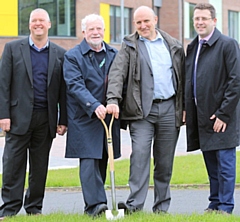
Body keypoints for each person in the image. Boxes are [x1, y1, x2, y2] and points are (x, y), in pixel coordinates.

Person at [106, 6, 185, 214]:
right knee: (140, 155)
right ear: (134, 24)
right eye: (139, 22)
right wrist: (112, 99)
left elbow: (182, 79)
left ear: (155, 20)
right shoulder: (129, 45)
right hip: (141, 112)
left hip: (169, 107)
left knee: (165, 161)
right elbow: (117, 73)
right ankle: (134, 206)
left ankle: (161, 207)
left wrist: (184, 107)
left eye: (146, 21)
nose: (143, 26)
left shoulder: (173, 45)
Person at [0, 8, 67, 219]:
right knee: (12, 166)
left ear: (49, 25)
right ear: (29, 25)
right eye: (34, 21)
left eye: (42, 20)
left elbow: (63, 91)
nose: (38, 24)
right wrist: (3, 115)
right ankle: (9, 209)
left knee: (39, 168)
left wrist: (62, 119)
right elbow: (3, 84)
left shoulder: (60, 53)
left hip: (45, 119)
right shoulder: (12, 49)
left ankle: (34, 208)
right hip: (17, 118)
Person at [185, 3, 240, 214]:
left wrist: (224, 114)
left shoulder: (228, 44)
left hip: (223, 118)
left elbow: (235, 82)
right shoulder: (193, 47)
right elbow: (190, 81)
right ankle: (214, 203)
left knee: (225, 165)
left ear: (214, 21)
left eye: (204, 19)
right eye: (196, 18)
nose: (199, 22)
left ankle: (226, 207)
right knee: (212, 166)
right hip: (203, 117)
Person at [63, 14, 120, 217]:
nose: (96, 32)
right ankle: (95, 205)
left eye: (99, 29)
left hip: (108, 118)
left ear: (104, 31)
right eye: (91, 29)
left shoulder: (114, 53)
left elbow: (119, 81)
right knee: (89, 162)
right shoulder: (73, 56)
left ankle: (96, 204)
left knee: (104, 160)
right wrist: (93, 104)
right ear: (84, 32)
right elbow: (75, 84)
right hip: (84, 118)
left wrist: (114, 103)